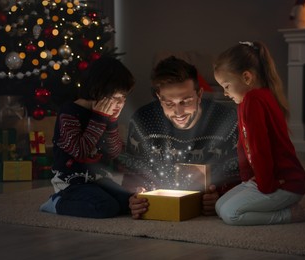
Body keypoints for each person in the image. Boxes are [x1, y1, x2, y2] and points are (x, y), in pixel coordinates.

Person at [213, 41, 305, 225]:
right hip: (264, 179)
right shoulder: (245, 102)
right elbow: (243, 145)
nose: (225, 93)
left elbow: (259, 148)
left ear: (246, 77)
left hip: (285, 184)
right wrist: (248, 180)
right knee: (219, 206)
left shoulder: (255, 100)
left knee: (231, 214)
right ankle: (275, 201)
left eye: (226, 86)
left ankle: (291, 214)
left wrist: (264, 186)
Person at [120, 56, 240, 219]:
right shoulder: (143, 121)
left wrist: (220, 197)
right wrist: (135, 197)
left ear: (199, 94)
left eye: (186, 101)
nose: (178, 112)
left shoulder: (226, 120)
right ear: (159, 97)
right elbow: (133, 174)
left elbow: (240, 174)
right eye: (169, 103)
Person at [39, 55, 135, 218]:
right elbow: (81, 152)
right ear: (98, 91)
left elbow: (114, 152)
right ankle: (57, 202)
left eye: (124, 99)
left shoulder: (106, 116)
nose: (121, 104)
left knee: (129, 201)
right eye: (116, 98)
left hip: (98, 180)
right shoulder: (69, 113)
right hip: (71, 183)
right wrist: (98, 118)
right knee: (105, 207)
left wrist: (111, 122)